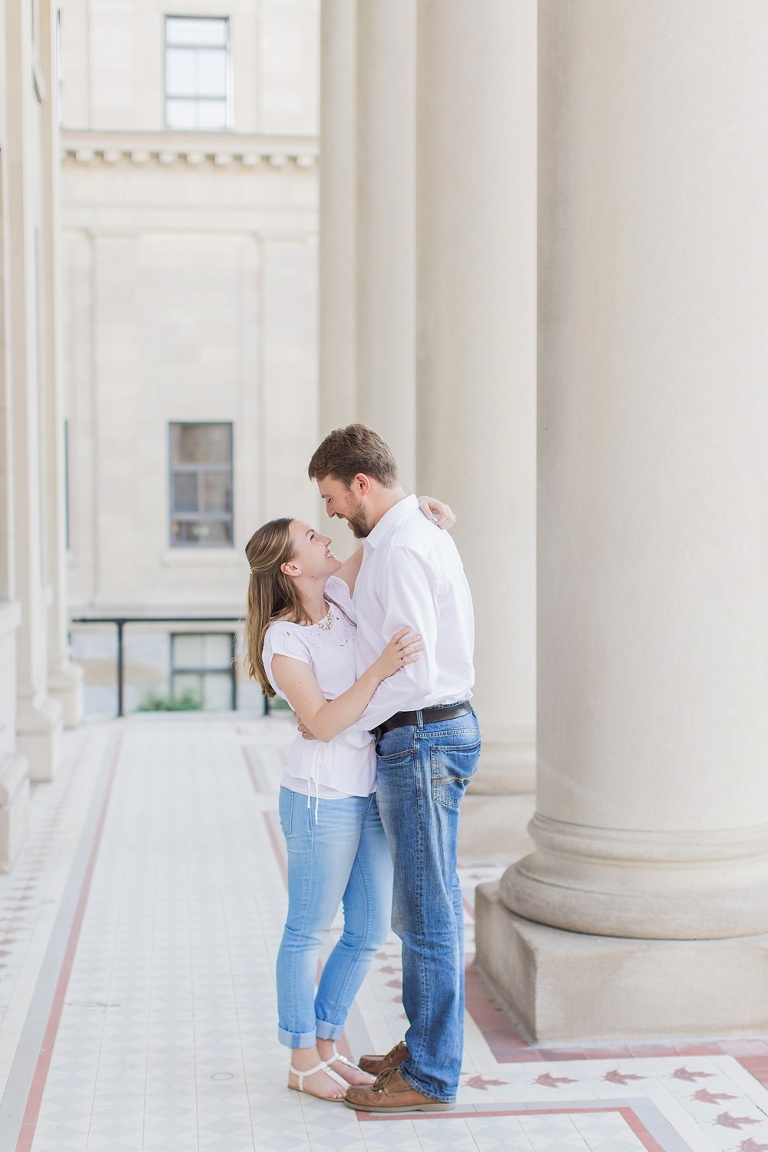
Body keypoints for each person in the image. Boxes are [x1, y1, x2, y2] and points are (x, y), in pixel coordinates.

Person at [243, 499, 453, 1102]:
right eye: (312, 536)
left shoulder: (335, 595)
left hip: (366, 789)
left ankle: (328, 1042)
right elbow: (327, 723)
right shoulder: (283, 641)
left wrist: (422, 513)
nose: (325, 536)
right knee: (308, 929)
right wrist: (383, 667)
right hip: (320, 796)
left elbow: (382, 543)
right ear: (290, 568)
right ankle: (301, 1057)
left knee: (366, 929)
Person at [306, 424, 480, 1114]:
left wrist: (342, 715)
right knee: (418, 907)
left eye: (331, 497)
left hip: (422, 737)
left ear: (362, 484)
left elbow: (417, 672)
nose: (330, 513)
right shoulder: (399, 538)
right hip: (419, 739)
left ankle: (434, 1074)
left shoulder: (405, 547)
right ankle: (424, 1045)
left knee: (428, 911)